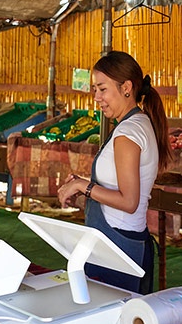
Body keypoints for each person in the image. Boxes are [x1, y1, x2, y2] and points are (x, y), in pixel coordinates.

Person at [57, 51, 172, 294]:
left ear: (127, 87)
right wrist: (83, 184)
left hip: (118, 250)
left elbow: (129, 202)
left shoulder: (128, 133)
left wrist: (83, 187)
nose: (96, 97)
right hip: (118, 244)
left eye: (102, 89)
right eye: (94, 89)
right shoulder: (134, 124)